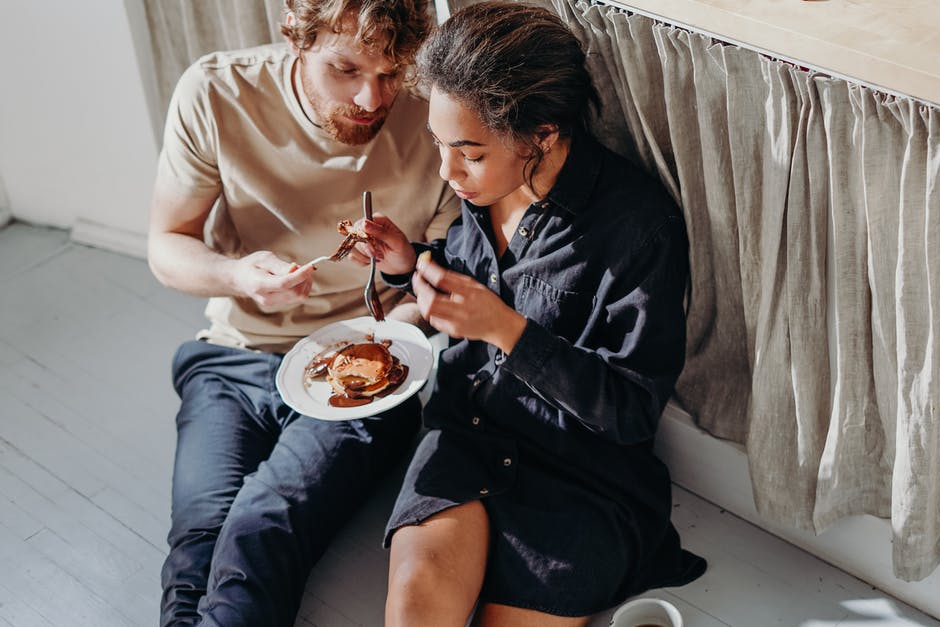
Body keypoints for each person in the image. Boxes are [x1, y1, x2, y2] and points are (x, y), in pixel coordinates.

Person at [352, 3, 707, 625]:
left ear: (541, 134)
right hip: (467, 436)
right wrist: (410, 265)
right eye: (440, 145)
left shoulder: (638, 228)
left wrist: (508, 333)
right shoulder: (480, 189)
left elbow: (628, 411)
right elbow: (473, 283)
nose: (448, 171)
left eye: (469, 152)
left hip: (581, 478)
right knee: (416, 604)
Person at [145, 0, 456, 624]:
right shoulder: (216, 93)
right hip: (234, 356)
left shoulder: (439, 115)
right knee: (199, 537)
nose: (373, 98)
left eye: (392, 73)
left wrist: (387, 339)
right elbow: (166, 245)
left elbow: (446, 278)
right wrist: (238, 277)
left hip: (375, 371)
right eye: (346, 69)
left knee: (263, 526)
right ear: (297, 38)